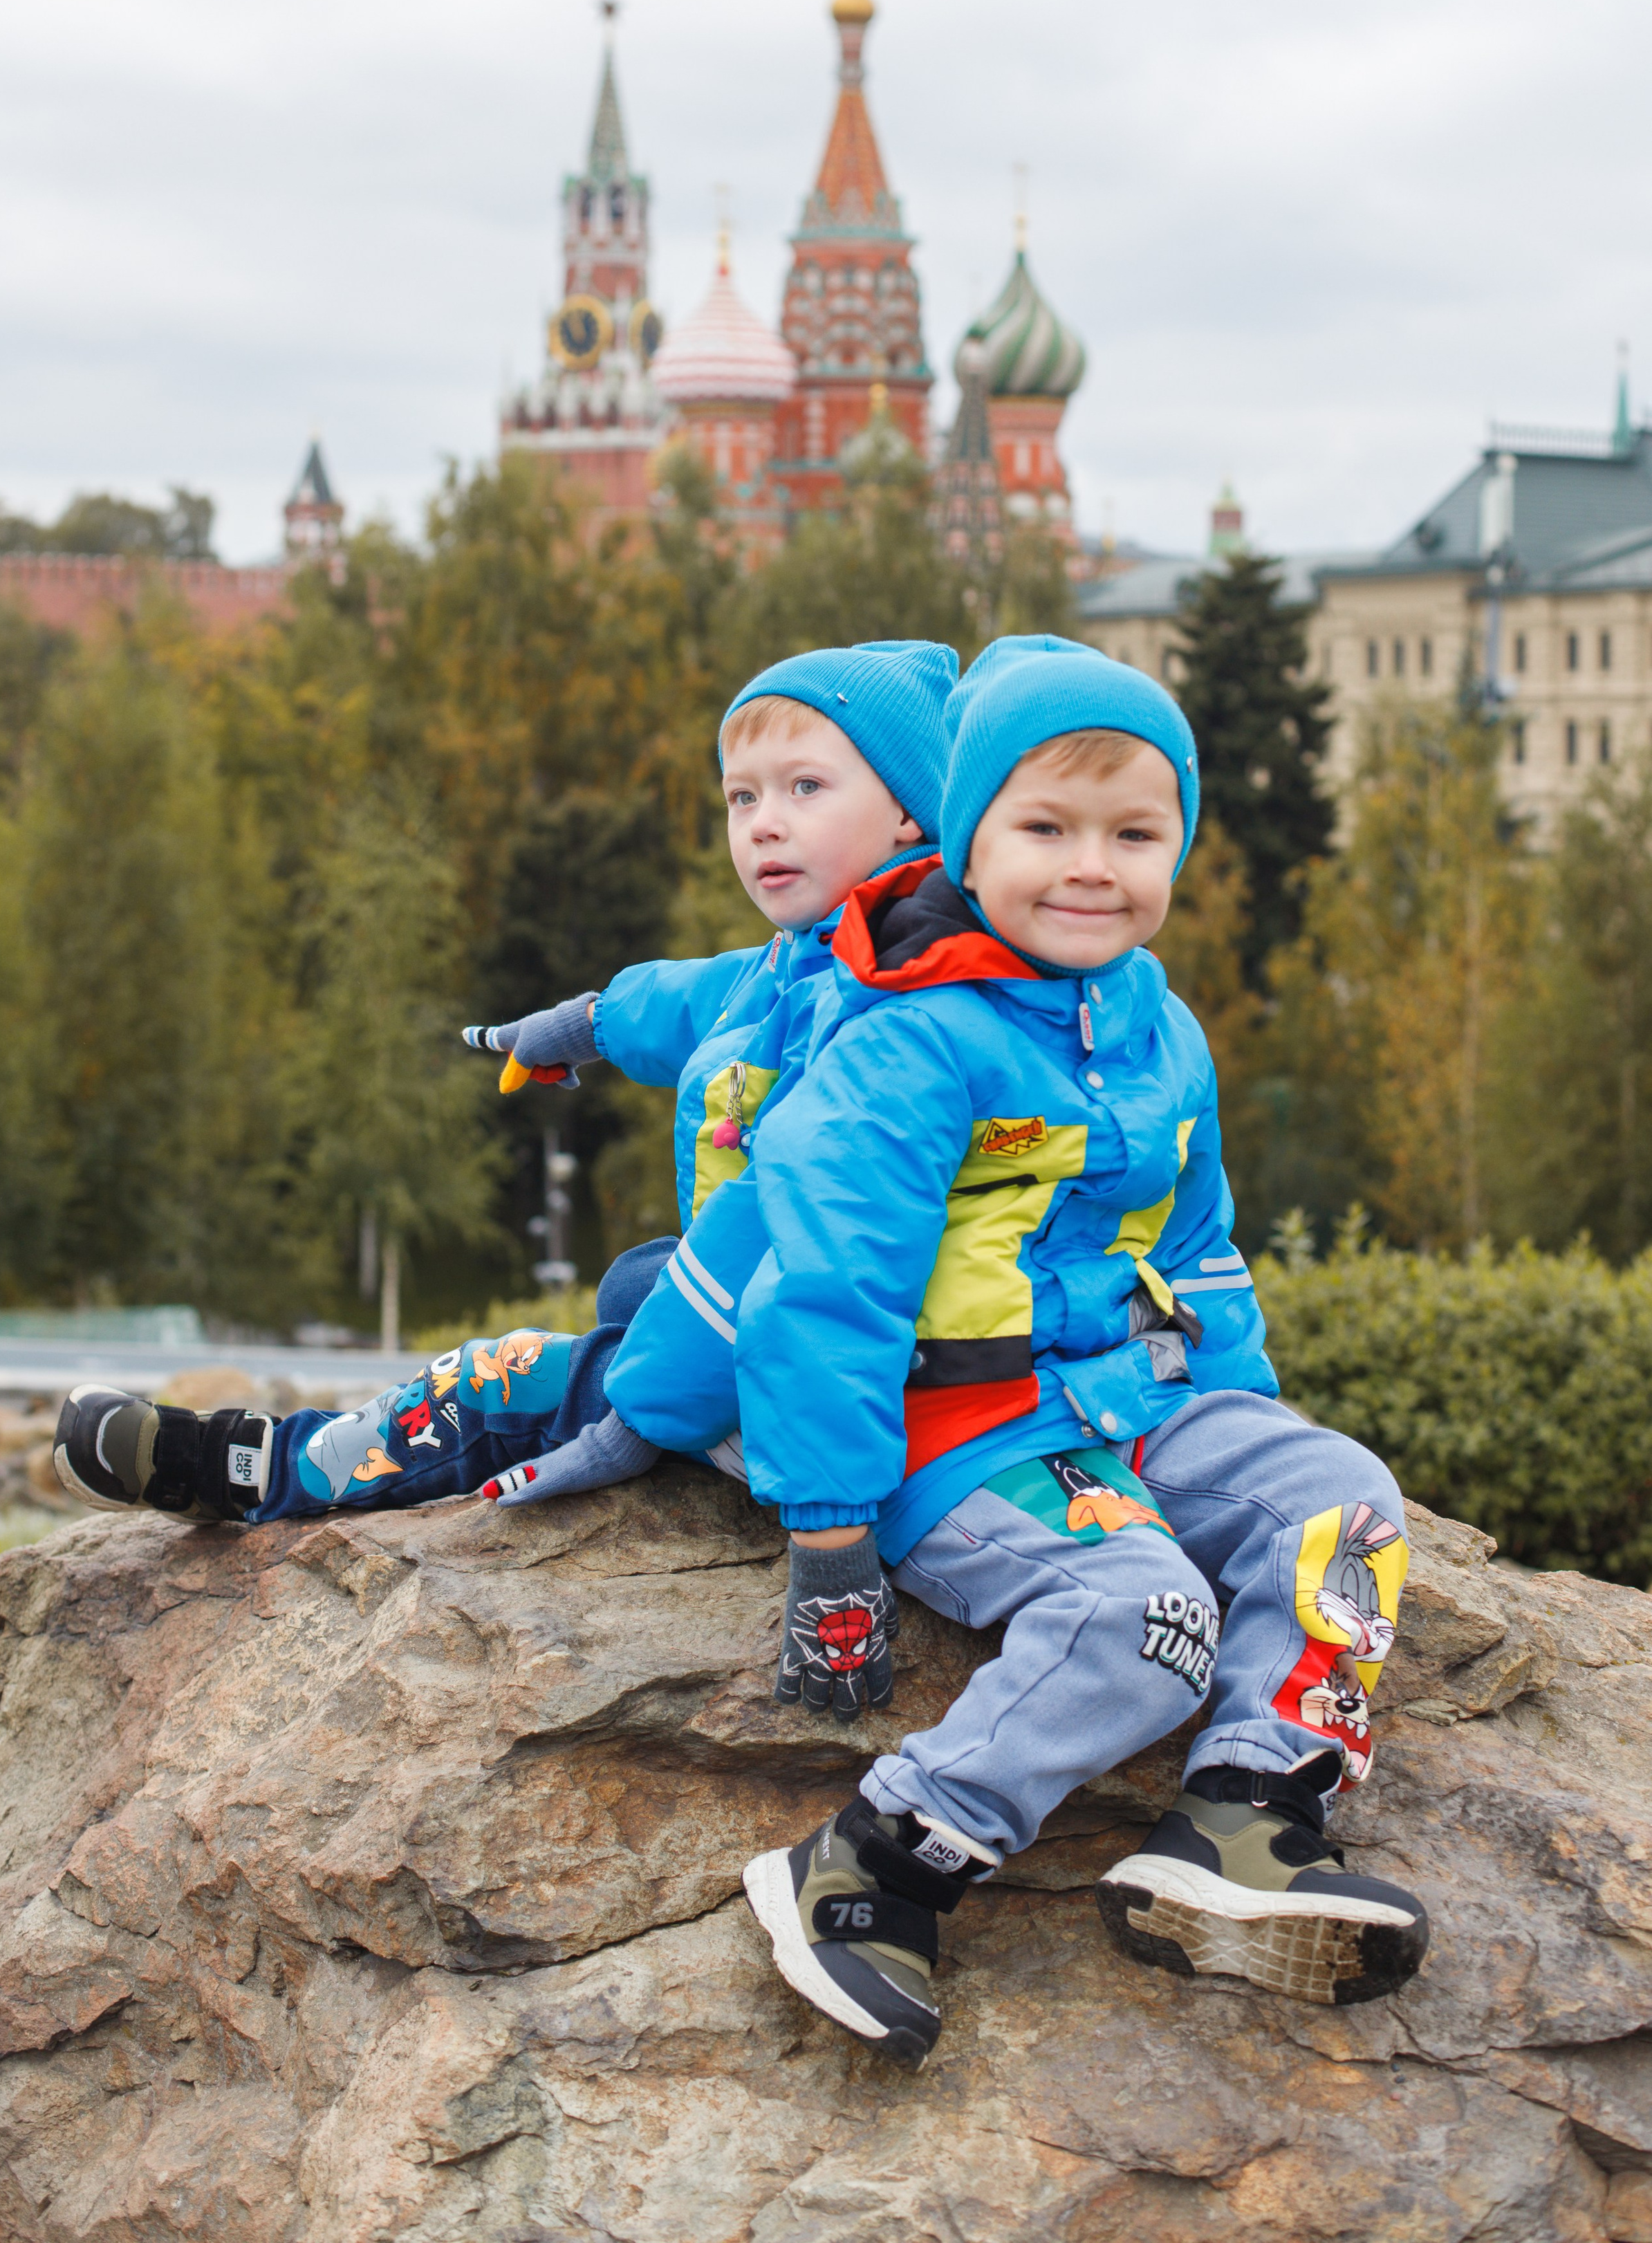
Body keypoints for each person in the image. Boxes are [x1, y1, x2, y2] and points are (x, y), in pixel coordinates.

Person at [500, 637, 1429, 2062]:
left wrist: (1235, 1429)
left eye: (1133, 833)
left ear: (1178, 842)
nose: (1088, 867)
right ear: (967, 831)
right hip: (962, 1426)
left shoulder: (1157, 1027)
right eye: (1042, 827)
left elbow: (1196, 1248)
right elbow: (822, 1295)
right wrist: (828, 1537)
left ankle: (1244, 1813)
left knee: (1341, 1499)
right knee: (1143, 1625)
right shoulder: (907, 1042)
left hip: (1129, 1401)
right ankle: (874, 1860)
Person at [51, 639, 956, 1527]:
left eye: (805, 787)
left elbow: (786, 1227)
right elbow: (706, 996)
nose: (762, 821)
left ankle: (254, 1467)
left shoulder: (879, 1017)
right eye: (741, 795)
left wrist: (640, 1412)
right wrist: (589, 1023)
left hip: (829, 1390)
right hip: (808, 1339)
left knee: (503, 1378)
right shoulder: (847, 956)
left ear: (909, 814)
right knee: (636, 1283)